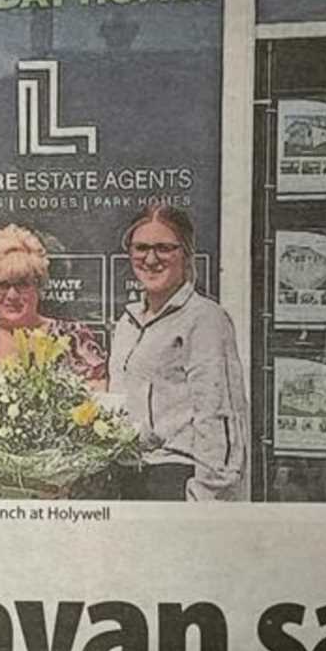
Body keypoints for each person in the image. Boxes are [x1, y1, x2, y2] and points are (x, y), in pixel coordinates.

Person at [0, 224, 106, 499]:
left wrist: (61, 480)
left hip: (65, 500)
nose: (12, 295)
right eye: (1, 285)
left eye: (23, 283)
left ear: (39, 286)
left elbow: (99, 419)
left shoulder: (75, 341)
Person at [107, 203, 248, 502]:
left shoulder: (204, 319)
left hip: (175, 479)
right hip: (128, 477)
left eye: (164, 248)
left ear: (185, 253)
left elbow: (218, 413)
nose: (151, 259)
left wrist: (206, 496)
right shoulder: (127, 322)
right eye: (141, 248)